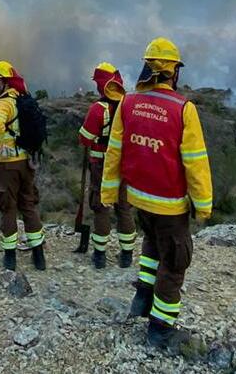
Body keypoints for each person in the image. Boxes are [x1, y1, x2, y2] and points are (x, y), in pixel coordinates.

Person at [102, 37, 213, 349]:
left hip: (139, 199)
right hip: (170, 205)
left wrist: (108, 193)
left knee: (151, 245)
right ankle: (160, 328)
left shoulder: (128, 103)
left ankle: (142, 298)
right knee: (175, 263)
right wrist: (203, 206)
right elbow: (195, 163)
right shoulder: (184, 109)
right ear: (173, 72)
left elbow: (114, 152)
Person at [77, 62, 137, 269]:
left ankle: (100, 255)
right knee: (124, 208)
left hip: (101, 166)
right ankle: (127, 255)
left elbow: (84, 138)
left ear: (101, 84)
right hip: (126, 166)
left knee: (101, 207)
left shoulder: (98, 109)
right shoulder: (130, 105)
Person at [0, 61, 46, 271]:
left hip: (7, 164)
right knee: (28, 205)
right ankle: (38, 255)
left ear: (5, 81)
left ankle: (10, 258)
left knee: (8, 207)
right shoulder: (21, 98)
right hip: (25, 162)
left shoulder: (3, 103)